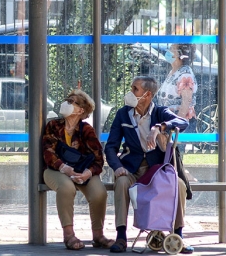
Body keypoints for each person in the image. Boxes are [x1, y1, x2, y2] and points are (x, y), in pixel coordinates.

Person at [104, 76, 194, 254]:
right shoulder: (123, 114)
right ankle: (121, 236)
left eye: (135, 89)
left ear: (147, 95)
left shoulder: (160, 112)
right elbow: (111, 147)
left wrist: (159, 127)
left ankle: (178, 236)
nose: (131, 93)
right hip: (131, 168)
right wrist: (117, 167)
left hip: (156, 171)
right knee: (121, 183)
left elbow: (183, 122)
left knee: (180, 186)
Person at [42, 89, 114, 250]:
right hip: (55, 170)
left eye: (71, 101)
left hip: (82, 171)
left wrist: (88, 173)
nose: (66, 102)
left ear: (81, 110)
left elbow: (98, 159)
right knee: (66, 188)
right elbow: (48, 152)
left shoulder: (86, 129)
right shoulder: (53, 125)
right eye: (67, 99)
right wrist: (64, 168)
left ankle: (98, 235)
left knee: (99, 193)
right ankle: (68, 235)